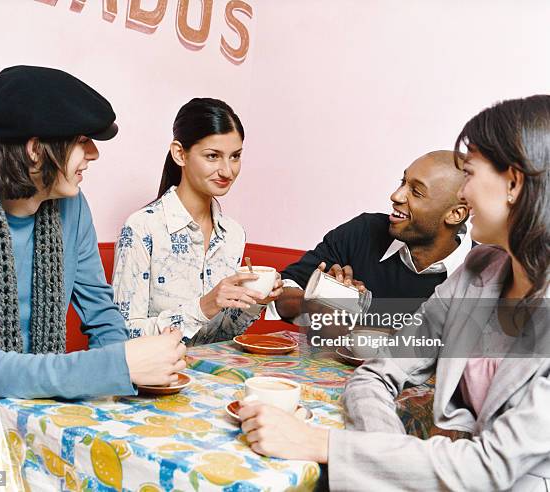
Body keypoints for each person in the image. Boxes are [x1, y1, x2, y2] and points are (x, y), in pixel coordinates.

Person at [239, 95, 550, 490]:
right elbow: (378, 373)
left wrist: (324, 444)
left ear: (514, 183)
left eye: (470, 174)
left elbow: (489, 467)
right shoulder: (480, 271)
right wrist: (387, 458)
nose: (466, 194)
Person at [0, 66, 185, 483]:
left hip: (50, 418)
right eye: (82, 141)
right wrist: (115, 366)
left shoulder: (72, 207)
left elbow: (104, 320)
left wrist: (136, 380)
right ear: (36, 149)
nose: (94, 154)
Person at [112, 98, 283, 344]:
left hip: (214, 375)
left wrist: (258, 300)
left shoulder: (233, 234)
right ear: (180, 154)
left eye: (235, 156)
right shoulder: (142, 228)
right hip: (157, 376)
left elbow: (223, 335)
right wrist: (203, 307)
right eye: (213, 156)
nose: (227, 171)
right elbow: (123, 336)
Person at [269, 150, 472, 328]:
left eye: (416, 192)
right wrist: (317, 301)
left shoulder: (487, 271)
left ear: (455, 214)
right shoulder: (364, 231)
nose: (396, 196)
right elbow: (282, 295)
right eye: (403, 182)